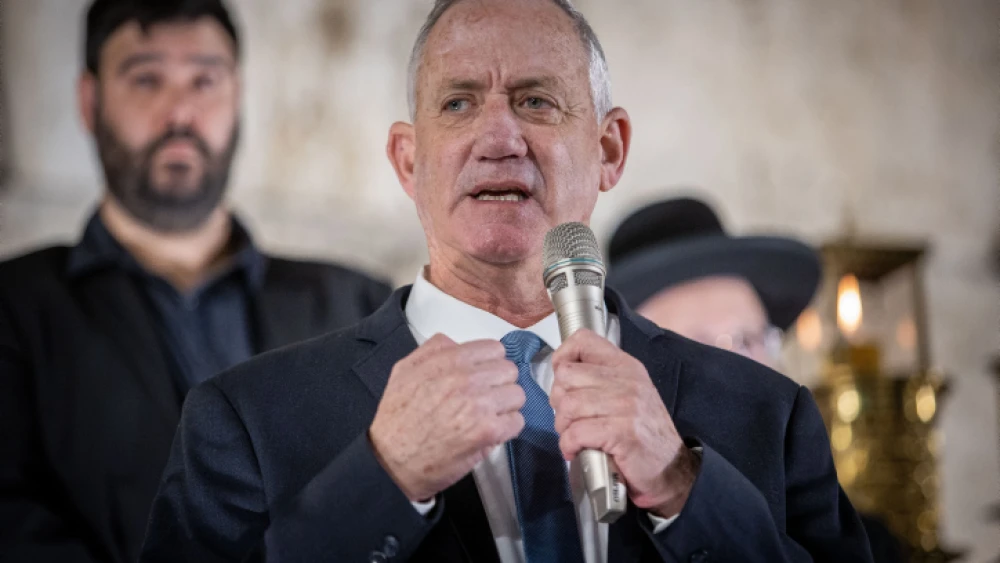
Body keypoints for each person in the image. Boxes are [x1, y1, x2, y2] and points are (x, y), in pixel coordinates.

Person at [140, 1, 874, 561]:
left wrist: (686, 486)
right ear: (407, 161)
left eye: (536, 100)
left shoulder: (768, 418)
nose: (499, 138)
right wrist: (379, 479)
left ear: (610, 147)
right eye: (458, 102)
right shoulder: (246, 419)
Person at [0, 1, 392, 562]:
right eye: (147, 78)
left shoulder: (360, 305)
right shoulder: (14, 308)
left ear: (237, 97)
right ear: (90, 102)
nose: (180, 112)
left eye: (204, 80)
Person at [607, 195, 909, 562]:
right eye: (694, 350)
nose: (736, 368)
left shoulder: (861, 543)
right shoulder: (587, 536)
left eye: (749, 339)